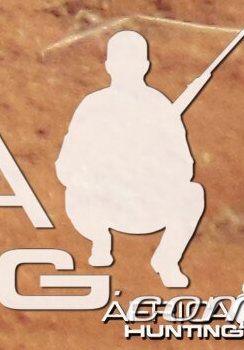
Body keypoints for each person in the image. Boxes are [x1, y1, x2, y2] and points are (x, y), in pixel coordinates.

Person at [57, 29, 211, 289]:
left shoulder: (159, 107)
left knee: (192, 194)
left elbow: (184, 166)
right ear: (109, 66)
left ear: (145, 66)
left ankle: (167, 259)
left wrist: (148, 166)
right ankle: (100, 241)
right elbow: (67, 165)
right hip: (101, 204)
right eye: (121, 61)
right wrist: (100, 171)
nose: (126, 68)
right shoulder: (93, 106)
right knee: (74, 193)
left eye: (133, 61)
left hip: (146, 204)